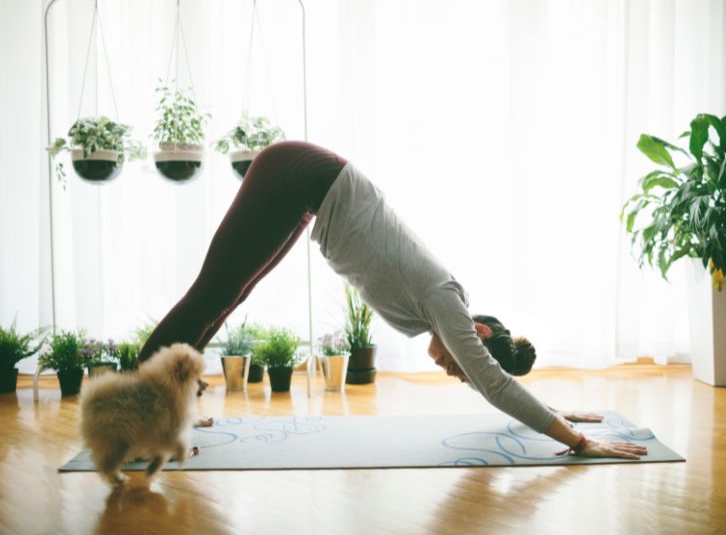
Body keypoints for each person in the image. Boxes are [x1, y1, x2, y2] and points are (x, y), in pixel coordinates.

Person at [137, 140, 647, 460]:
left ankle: (169, 404)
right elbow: (491, 382)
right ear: (480, 334)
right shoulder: (445, 302)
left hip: (310, 188)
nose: (452, 372)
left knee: (230, 296)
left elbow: (488, 379)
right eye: (458, 367)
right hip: (300, 175)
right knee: (213, 292)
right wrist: (576, 441)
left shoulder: (441, 309)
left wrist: (555, 410)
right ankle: (142, 412)